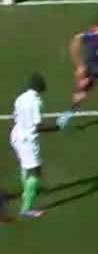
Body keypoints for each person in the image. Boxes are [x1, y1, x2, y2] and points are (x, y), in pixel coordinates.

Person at [10, 74, 55, 219]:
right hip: (27, 140)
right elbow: (37, 127)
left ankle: (26, 192)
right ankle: (26, 209)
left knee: (25, 166)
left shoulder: (20, 98)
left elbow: (15, 117)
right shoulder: (36, 102)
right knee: (36, 172)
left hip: (16, 136)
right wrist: (55, 128)